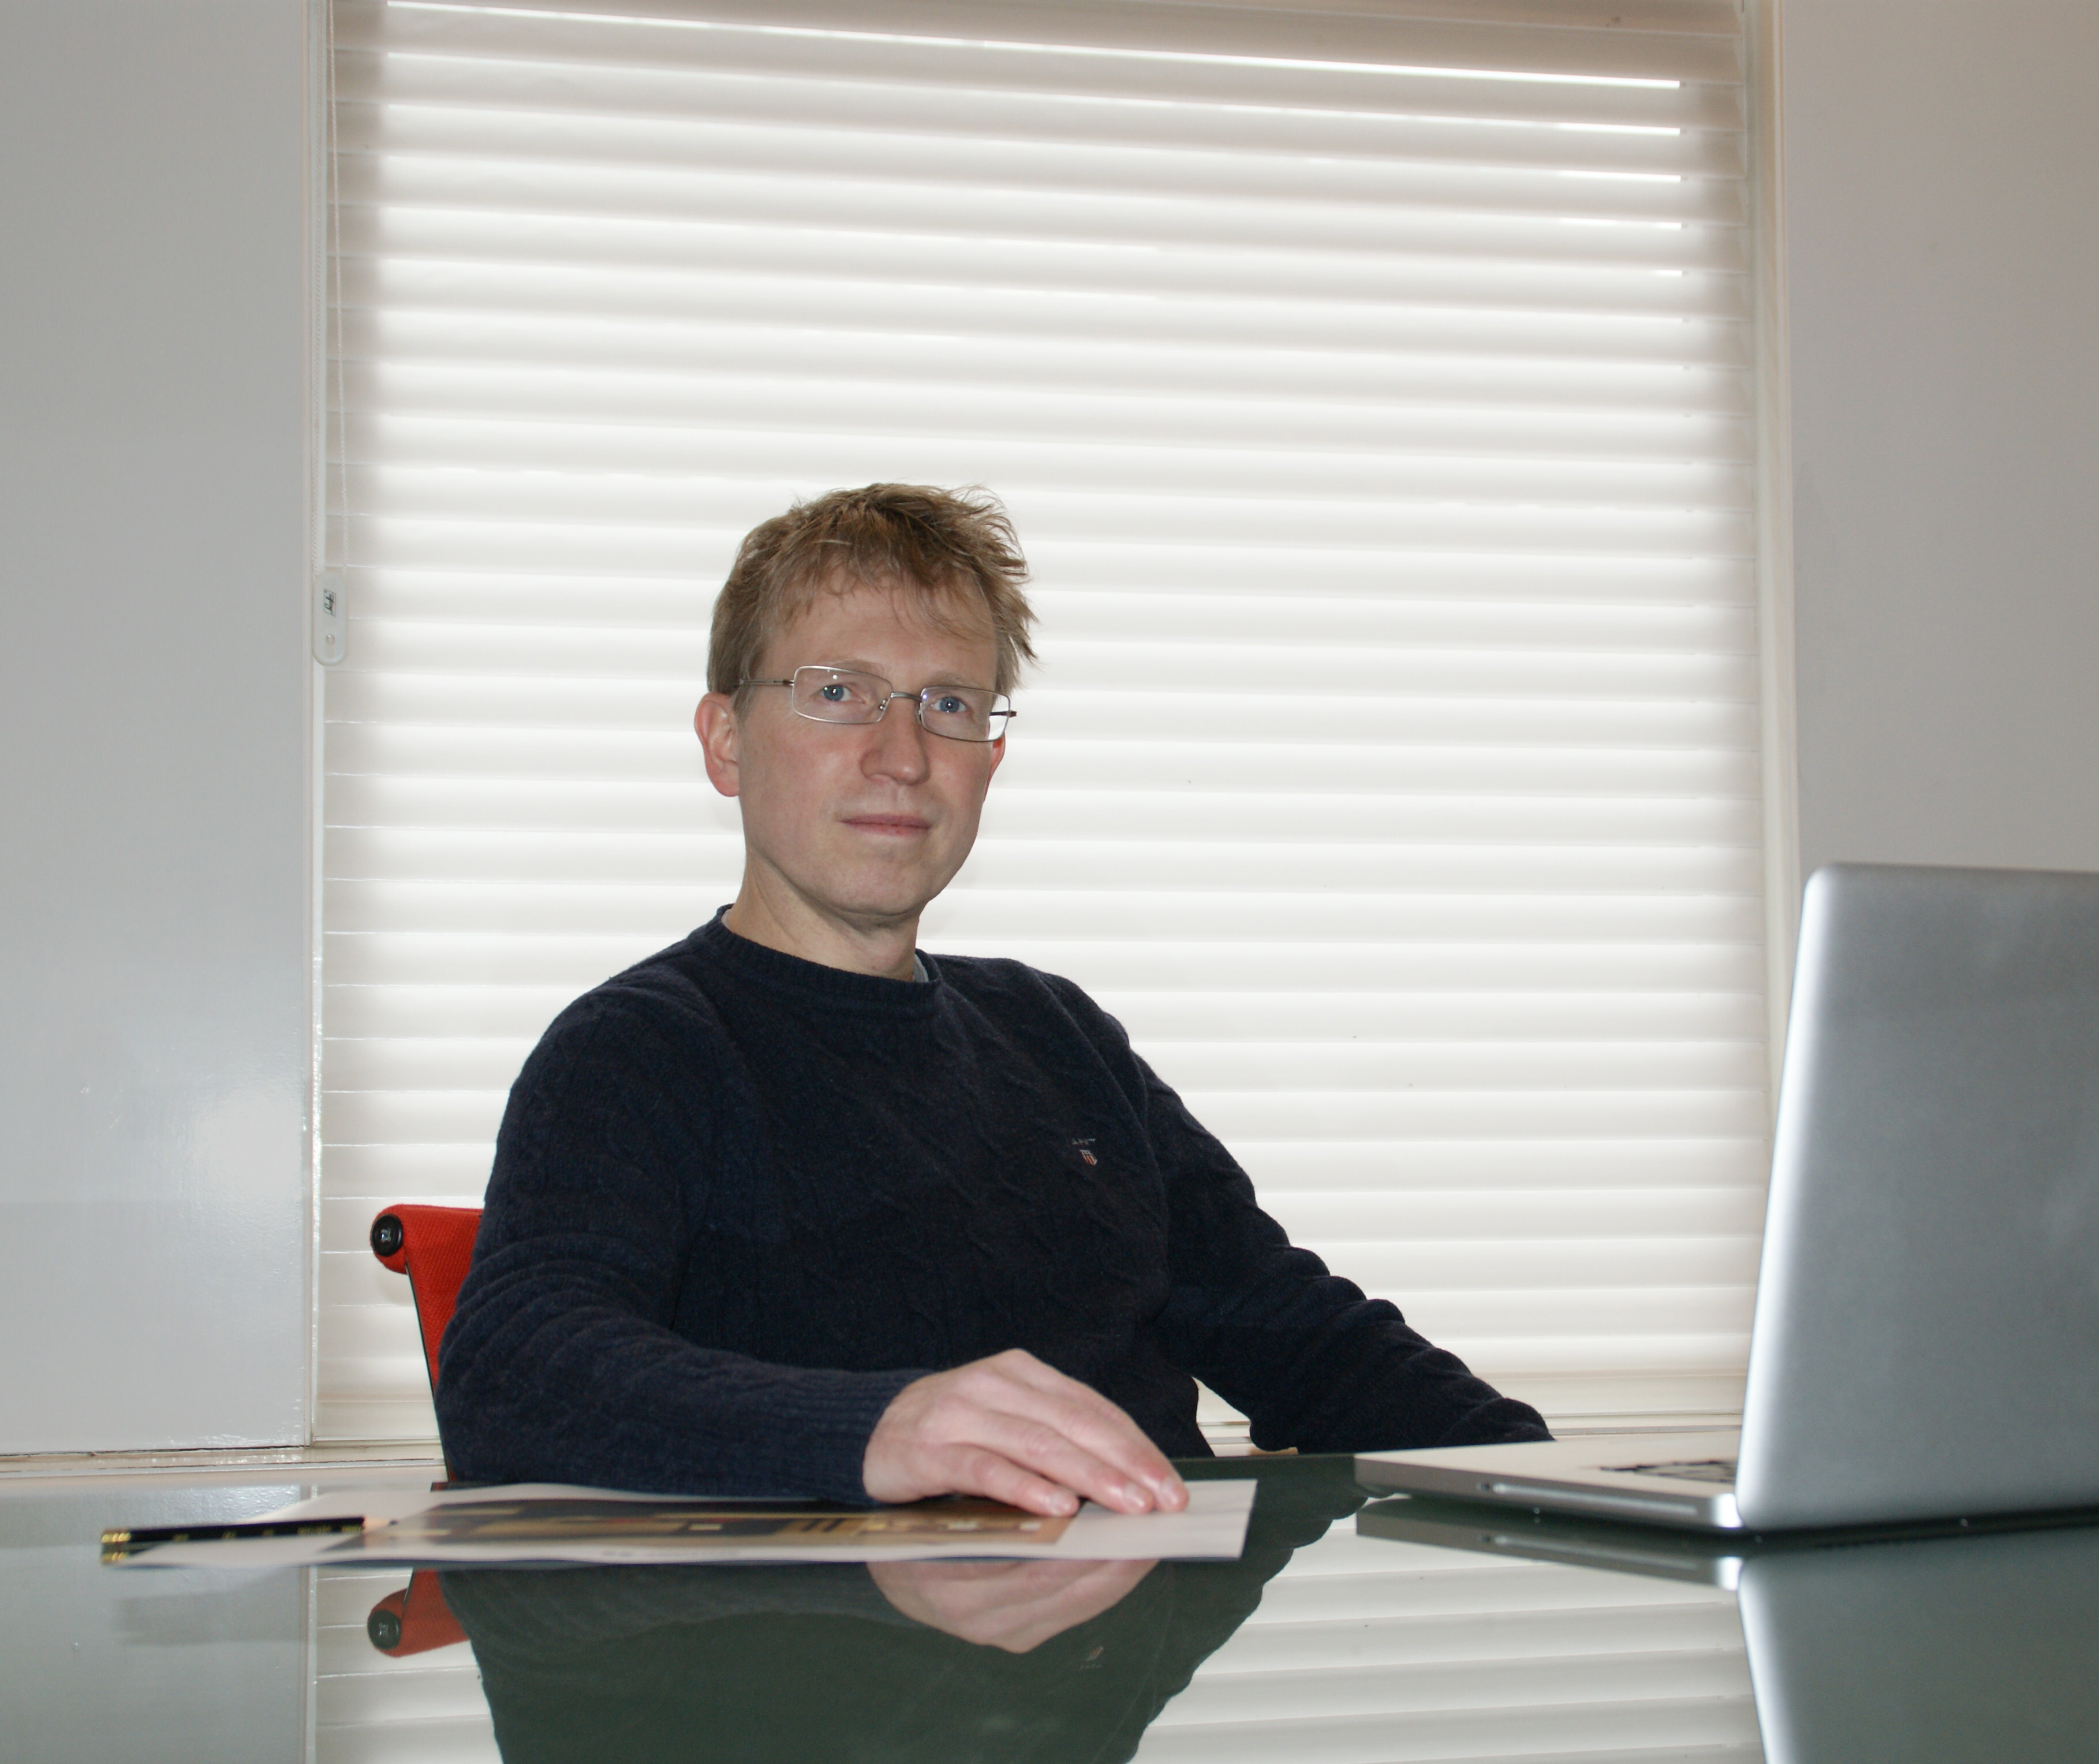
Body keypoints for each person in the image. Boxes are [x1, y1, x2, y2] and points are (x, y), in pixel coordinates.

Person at [435, 483, 1548, 1518]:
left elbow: (1307, 1342)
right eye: (838, 693)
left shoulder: (1056, 1033)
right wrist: (882, 1428)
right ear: (726, 742)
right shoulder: (637, 1051)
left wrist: (1552, 1482)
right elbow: (516, 1374)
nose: (902, 755)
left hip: (1143, 1631)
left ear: (990, 757)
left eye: (949, 703)